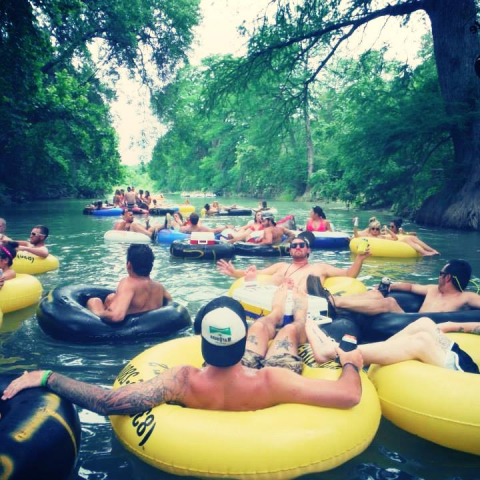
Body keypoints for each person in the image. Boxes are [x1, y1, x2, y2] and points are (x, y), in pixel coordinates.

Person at [2, 283, 362, 412]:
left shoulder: (182, 380)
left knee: (263, 325)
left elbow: (106, 402)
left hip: (233, 367)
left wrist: (46, 375)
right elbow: (348, 396)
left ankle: (282, 304)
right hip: (259, 372)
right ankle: (293, 305)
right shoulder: (275, 382)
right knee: (287, 329)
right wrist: (351, 361)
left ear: (202, 345)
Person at [306, 315, 479, 374]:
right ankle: (374, 356)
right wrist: (452, 325)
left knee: (421, 342)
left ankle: (336, 352)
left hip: (469, 378)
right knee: (424, 322)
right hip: (465, 359)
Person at [217, 234, 370, 292]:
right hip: (274, 299)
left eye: (301, 245)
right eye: (294, 246)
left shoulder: (320, 268)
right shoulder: (281, 266)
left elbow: (349, 275)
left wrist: (359, 259)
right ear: (290, 251)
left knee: (308, 279)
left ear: (308, 250)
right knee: (277, 278)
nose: (297, 247)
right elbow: (256, 274)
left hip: (302, 302)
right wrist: (234, 272)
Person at [329, 259, 480, 317]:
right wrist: (390, 286)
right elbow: (411, 287)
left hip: (424, 327)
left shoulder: (466, 297)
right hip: (409, 321)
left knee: (390, 303)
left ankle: (336, 303)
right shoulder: (433, 289)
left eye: (441, 273)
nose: (438, 276)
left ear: (447, 278)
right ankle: (334, 300)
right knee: (377, 294)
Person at [86, 244, 172, 323]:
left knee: (94, 301)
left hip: (124, 331)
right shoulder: (159, 287)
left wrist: (100, 313)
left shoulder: (128, 283)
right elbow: (170, 303)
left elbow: (117, 316)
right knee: (110, 297)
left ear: (129, 265)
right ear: (151, 266)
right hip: (152, 326)